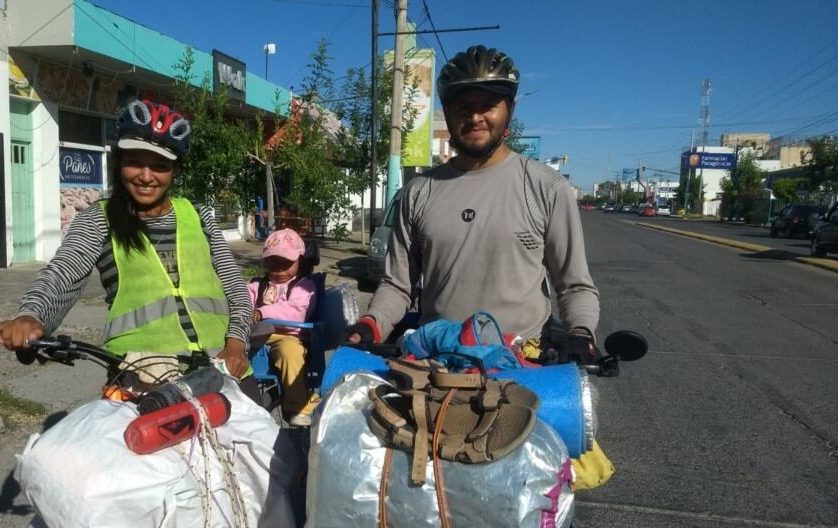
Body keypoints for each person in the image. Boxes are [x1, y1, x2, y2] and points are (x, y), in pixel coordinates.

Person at [346, 45, 610, 495]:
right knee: (429, 503)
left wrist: (582, 333)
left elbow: (574, 284)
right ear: (448, 112)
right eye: (463, 107)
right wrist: (370, 324)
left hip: (521, 372)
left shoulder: (546, 187)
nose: (475, 117)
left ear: (510, 108)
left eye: (488, 105)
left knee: (526, 505)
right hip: (437, 376)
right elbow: (397, 284)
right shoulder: (419, 192)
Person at [0, 99, 259, 402]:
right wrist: (31, 317)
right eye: (135, 162)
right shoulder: (98, 219)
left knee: (270, 449)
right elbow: (63, 275)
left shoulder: (198, 216)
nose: (146, 176)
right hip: (140, 379)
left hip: (222, 373)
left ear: (175, 170)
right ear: (118, 162)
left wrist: (236, 345)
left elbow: (236, 291)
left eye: (160, 165)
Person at [248, 229, 319, 426]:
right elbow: (242, 300)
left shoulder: (304, 287)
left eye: (286, 263)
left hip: (289, 335)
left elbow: (296, 311)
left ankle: (300, 406)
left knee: (290, 352)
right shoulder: (257, 286)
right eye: (273, 262)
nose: (279, 268)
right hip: (259, 335)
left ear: (300, 261)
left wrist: (262, 312)